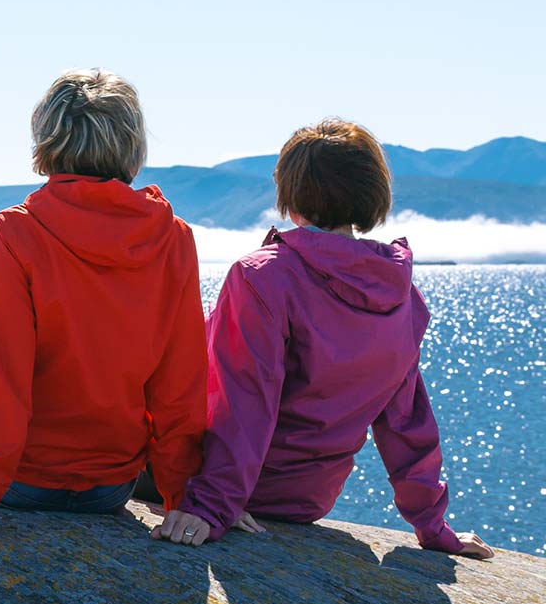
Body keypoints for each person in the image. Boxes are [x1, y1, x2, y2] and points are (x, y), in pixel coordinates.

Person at [154, 119, 493, 558]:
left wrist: (213, 505)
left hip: (223, 484)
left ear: (290, 196)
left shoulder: (262, 276)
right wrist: (433, 527)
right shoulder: (401, 294)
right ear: (373, 194)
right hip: (305, 500)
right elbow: (406, 423)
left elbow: (244, 402)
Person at [0, 69, 207, 559]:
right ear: (131, 144)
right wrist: (183, 500)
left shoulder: (13, 234)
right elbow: (181, 386)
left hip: (22, 483)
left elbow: (5, 387)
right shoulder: (174, 238)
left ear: (47, 138)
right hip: (108, 489)